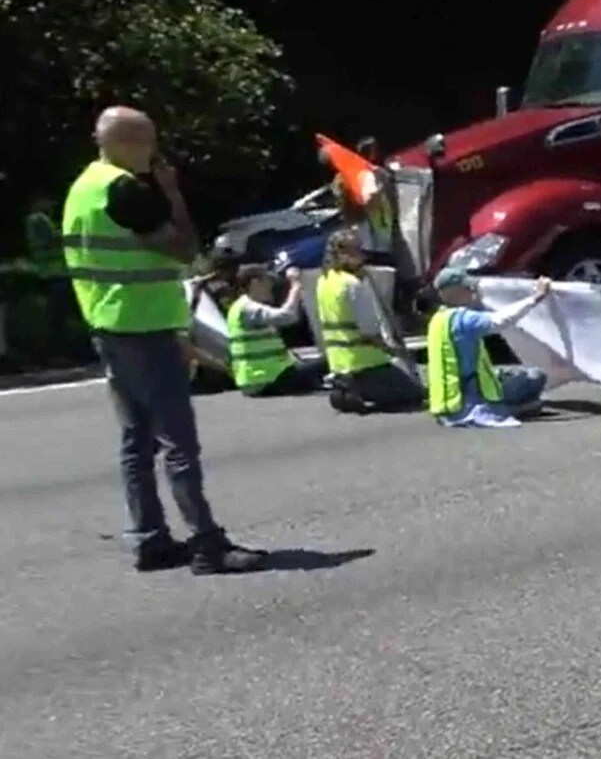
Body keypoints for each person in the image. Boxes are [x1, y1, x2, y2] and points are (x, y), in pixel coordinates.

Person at [62, 105, 266, 574]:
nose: (154, 151)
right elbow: (185, 248)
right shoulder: (126, 191)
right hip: (145, 325)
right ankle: (207, 544)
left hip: (109, 323)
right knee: (178, 440)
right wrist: (172, 193)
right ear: (129, 143)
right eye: (149, 141)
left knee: (136, 438)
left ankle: (151, 539)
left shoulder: (83, 187)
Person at [426, 267, 551, 427]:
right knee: (535, 376)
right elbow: (500, 320)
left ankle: (520, 405)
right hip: (469, 400)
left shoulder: (439, 319)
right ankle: (509, 408)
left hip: (448, 403)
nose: (472, 292)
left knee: (505, 373)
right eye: (467, 288)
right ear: (453, 292)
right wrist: (536, 298)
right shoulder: (464, 319)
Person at [316, 229, 423, 413]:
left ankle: (346, 387)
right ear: (341, 254)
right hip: (365, 362)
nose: (362, 255)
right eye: (356, 250)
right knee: (414, 393)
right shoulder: (352, 284)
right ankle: (355, 391)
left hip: (339, 361)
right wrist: (391, 350)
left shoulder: (325, 280)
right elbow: (368, 330)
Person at [226, 264, 325, 397]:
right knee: (330, 361)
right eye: (268, 281)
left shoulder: (239, 306)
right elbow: (287, 316)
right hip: (267, 379)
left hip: (258, 378)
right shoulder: (248, 309)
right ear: (255, 283)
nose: (272, 286)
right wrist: (295, 287)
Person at [25, 194, 86, 361]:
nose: (51, 206)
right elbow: (52, 239)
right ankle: (61, 353)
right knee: (61, 316)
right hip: (55, 273)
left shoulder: (37, 220)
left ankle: (64, 351)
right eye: (47, 202)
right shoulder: (38, 219)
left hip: (53, 273)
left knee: (60, 316)